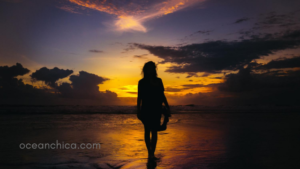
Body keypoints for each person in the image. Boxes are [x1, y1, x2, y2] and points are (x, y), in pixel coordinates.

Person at [137, 61, 171, 159]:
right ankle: (150, 152)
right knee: (147, 130)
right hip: (146, 109)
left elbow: (162, 95)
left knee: (155, 131)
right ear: (145, 70)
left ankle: (152, 153)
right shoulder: (141, 82)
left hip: (157, 108)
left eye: (152, 68)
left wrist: (168, 107)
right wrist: (138, 110)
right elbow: (139, 97)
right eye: (148, 68)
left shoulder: (159, 81)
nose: (150, 70)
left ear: (154, 69)